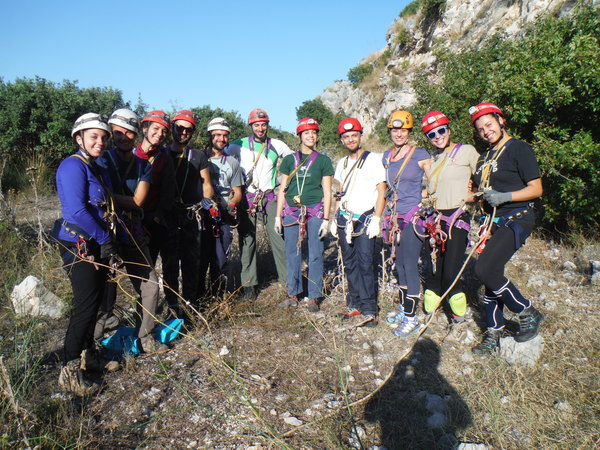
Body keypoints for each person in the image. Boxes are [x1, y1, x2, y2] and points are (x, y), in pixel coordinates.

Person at [469, 102, 544, 354]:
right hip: (492, 222)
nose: (486, 131)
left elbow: (536, 188)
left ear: (501, 121)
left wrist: (505, 197)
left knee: (484, 269)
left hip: (517, 217)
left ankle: (527, 310)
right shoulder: (484, 158)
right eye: (480, 129)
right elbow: (478, 190)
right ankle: (494, 331)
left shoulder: (518, 148)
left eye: (489, 124)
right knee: (491, 274)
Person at [54, 113, 120, 395]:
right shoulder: (72, 166)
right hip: (78, 244)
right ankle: (69, 371)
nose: (100, 142)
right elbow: (76, 210)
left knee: (98, 303)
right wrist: (105, 239)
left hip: (94, 242)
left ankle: (89, 355)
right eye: (94, 136)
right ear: (79, 138)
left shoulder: (94, 166)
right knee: (85, 306)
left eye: (104, 137)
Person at [94, 108, 164, 353]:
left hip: (133, 232)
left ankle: (146, 336)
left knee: (150, 285)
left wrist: (109, 196)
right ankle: (92, 344)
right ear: (111, 134)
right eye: (118, 133)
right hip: (106, 233)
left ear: (137, 135)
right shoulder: (101, 160)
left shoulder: (142, 165)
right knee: (104, 290)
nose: (124, 137)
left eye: (129, 133)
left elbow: (138, 201)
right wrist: (119, 199)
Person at [420, 111, 479, 333]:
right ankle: (432, 309)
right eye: (432, 134)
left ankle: (458, 318)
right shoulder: (433, 159)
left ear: (449, 129)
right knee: (437, 267)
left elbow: (484, 177)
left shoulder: (466, 151)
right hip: (437, 220)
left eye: (441, 130)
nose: (438, 136)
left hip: (457, 218)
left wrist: (475, 195)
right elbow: (434, 189)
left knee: (451, 270)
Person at [226, 108, 293, 299]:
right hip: (247, 197)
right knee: (247, 241)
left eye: (263, 125)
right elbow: (222, 158)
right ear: (251, 126)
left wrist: (281, 182)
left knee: (279, 238)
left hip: (269, 196)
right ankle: (249, 284)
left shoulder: (277, 145)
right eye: (256, 125)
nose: (260, 128)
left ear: (267, 125)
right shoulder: (238, 145)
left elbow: (293, 162)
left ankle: (288, 281)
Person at [381, 111, 431, 337]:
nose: (399, 134)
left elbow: (435, 179)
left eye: (403, 130)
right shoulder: (387, 156)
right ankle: (404, 309)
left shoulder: (420, 154)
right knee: (399, 265)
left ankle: (412, 318)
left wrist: (423, 198)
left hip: (413, 216)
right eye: (395, 130)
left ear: (409, 132)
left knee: (410, 265)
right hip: (395, 217)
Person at [275, 118, 334, 311]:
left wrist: (326, 219)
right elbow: (282, 189)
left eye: (314, 132)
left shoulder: (323, 160)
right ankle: (293, 293)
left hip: (314, 211)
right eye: (307, 133)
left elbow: (327, 192)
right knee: (293, 253)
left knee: (316, 253)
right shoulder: (289, 160)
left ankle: (314, 296)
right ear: (299, 136)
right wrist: (278, 216)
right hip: (292, 211)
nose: (311, 136)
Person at [333, 118, 386, 327]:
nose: (350, 140)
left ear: (360, 136)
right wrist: (335, 217)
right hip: (345, 218)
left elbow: (382, 191)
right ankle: (354, 303)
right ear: (342, 140)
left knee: (365, 263)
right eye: (346, 137)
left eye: (354, 135)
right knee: (350, 263)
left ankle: (369, 308)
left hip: (365, 218)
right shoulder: (342, 163)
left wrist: (377, 219)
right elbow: (340, 193)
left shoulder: (373, 160)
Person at [163, 110, 213, 317]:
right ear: (172, 128)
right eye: (179, 128)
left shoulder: (198, 155)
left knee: (191, 261)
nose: (183, 132)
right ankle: (172, 305)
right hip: (167, 215)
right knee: (170, 263)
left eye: (188, 130)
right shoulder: (162, 154)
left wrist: (205, 204)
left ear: (193, 132)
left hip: (191, 214)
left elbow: (207, 184)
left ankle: (191, 304)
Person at [200, 117, 244, 299]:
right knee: (200, 259)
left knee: (220, 259)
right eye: (217, 135)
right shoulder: (198, 157)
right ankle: (198, 297)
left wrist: (232, 204)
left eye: (225, 135)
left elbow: (237, 191)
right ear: (210, 135)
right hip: (201, 216)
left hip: (223, 216)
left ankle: (217, 297)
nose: (221, 139)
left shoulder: (232, 163)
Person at [133, 110, 176, 265]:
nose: (160, 134)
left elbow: (168, 192)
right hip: (129, 217)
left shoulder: (164, 159)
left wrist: (156, 217)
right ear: (145, 128)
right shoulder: (131, 153)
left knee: (147, 264)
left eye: (164, 131)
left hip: (151, 220)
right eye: (156, 129)